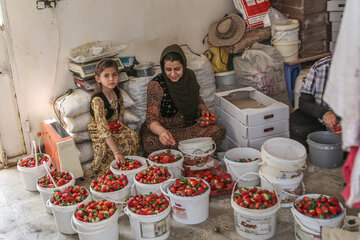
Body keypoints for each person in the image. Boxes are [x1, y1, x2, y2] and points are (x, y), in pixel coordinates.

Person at [140, 44, 226, 155]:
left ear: (183, 65)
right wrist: (162, 132)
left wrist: (203, 108)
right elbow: (151, 119)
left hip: (189, 126)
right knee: (150, 142)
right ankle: (193, 150)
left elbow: (197, 97)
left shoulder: (189, 76)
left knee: (218, 131)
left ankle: (181, 151)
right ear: (162, 68)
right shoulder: (157, 84)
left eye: (177, 69)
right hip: (166, 130)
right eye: (168, 70)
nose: (173, 74)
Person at [85, 58, 139, 177]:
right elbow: (103, 128)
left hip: (114, 126)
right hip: (101, 131)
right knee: (115, 147)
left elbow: (121, 108)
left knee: (133, 137)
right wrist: (116, 152)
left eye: (114, 75)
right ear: (98, 78)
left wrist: (119, 121)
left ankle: (127, 168)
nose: (111, 79)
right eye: (106, 75)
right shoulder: (97, 100)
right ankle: (113, 170)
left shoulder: (116, 91)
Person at [290, 56, 341, 148]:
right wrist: (324, 113)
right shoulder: (320, 67)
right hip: (320, 116)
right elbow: (304, 102)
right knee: (296, 125)